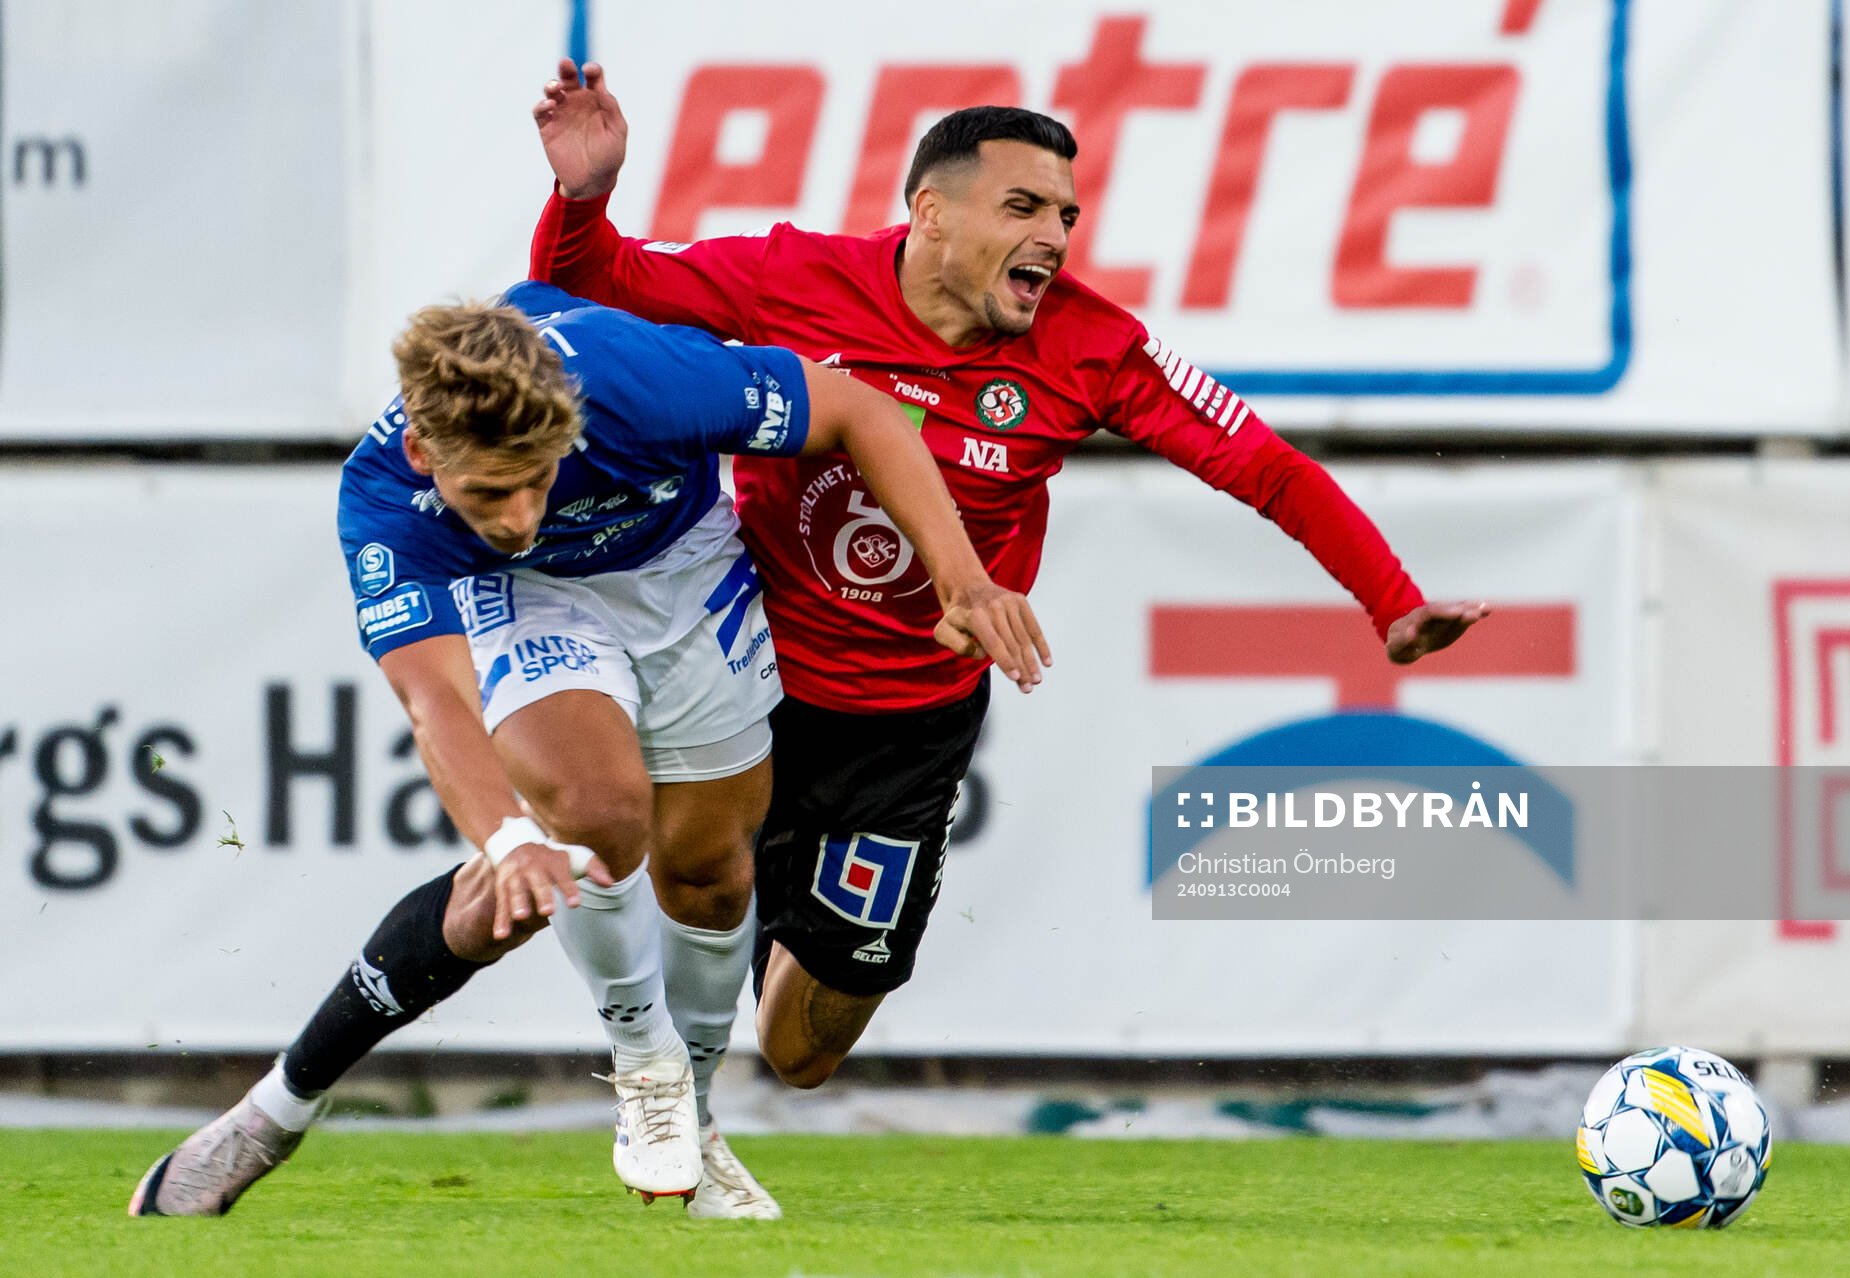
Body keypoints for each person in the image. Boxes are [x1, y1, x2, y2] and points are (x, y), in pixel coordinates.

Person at [527, 62, 1489, 1134]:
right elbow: (591, 286)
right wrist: (583, 197)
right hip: (747, 677)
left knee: (802, 1051)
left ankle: (761, 952)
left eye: (1067, 215)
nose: (1055, 236)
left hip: (908, 726)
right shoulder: (793, 277)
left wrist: (1390, 602)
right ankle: (672, 1098)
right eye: (1024, 206)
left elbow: (1264, 465)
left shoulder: (1095, 347)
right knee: (693, 880)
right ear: (929, 212)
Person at [128, 280, 1047, 1220]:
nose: (521, 509)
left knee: (713, 876)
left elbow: (858, 409)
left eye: (539, 477)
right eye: (491, 489)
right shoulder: (387, 502)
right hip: (524, 594)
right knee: (599, 820)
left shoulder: (630, 376)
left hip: (681, 565)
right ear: (422, 453)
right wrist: (505, 837)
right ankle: (636, 1067)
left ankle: (689, 1109)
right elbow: (435, 697)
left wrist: (963, 581)